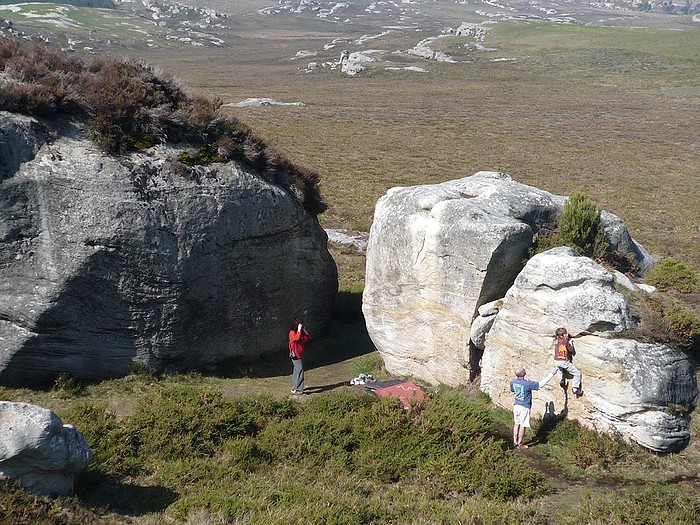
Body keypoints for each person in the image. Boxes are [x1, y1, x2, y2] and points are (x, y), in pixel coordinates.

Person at [510, 366, 557, 449]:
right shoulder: (527, 384)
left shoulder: (513, 382)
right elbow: (541, 384)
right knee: (522, 425)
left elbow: (513, 390)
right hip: (524, 407)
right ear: (523, 374)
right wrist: (551, 374)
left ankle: (514, 442)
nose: (525, 370)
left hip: (516, 405)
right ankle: (519, 444)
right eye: (524, 370)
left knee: (516, 424)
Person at [552, 327, 583, 396]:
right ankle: (575, 387)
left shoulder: (556, 341)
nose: (567, 334)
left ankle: (561, 379)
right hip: (564, 361)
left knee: (559, 369)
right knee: (577, 373)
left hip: (557, 360)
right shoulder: (566, 341)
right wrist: (570, 343)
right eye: (566, 334)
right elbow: (571, 350)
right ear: (563, 335)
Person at [289, 318, 311, 395]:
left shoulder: (300, 333)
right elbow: (296, 338)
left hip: (300, 354)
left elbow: (308, 337)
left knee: (297, 371)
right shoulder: (292, 332)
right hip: (295, 354)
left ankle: (297, 388)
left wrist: (304, 330)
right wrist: (298, 330)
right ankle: (296, 388)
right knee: (300, 370)